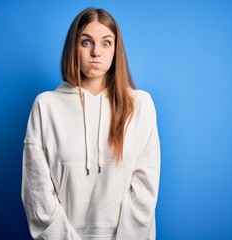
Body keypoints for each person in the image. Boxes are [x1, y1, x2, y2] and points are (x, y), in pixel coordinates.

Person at [21, 7, 160, 240]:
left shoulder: (140, 104)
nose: (96, 52)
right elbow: (37, 191)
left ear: (116, 50)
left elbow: (145, 188)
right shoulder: (46, 106)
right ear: (73, 48)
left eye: (106, 43)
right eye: (87, 42)